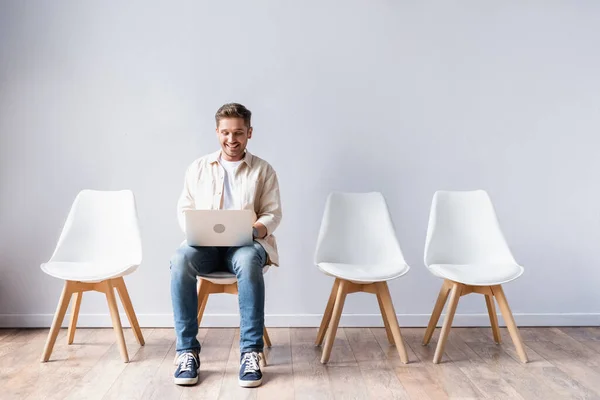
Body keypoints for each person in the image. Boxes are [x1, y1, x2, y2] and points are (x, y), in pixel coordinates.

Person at [170, 103, 282, 388]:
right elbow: (185, 209)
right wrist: (196, 230)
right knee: (180, 259)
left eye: (238, 133)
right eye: (225, 133)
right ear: (217, 132)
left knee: (247, 261)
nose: (231, 140)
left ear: (250, 133)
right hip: (204, 248)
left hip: (245, 246)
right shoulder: (197, 167)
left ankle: (251, 352)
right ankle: (186, 352)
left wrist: (254, 230)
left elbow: (273, 212)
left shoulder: (263, 170)